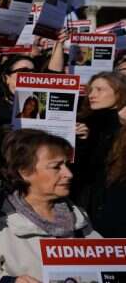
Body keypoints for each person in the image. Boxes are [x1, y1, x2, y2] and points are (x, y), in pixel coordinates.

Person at [0, 129, 100, 283]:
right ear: (24, 172)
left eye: (67, 165)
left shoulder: (77, 216)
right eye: (56, 167)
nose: (68, 174)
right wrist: (9, 282)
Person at [73, 72, 126, 238]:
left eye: (100, 89)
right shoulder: (82, 122)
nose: (92, 95)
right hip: (87, 207)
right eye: (90, 89)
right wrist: (80, 141)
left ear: (120, 92)